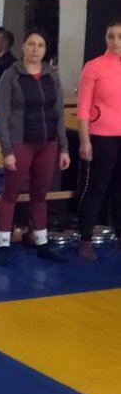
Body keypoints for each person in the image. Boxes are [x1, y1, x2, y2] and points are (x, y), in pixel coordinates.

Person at [0, 28, 70, 266]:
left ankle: (42, 243)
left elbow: (58, 113)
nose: (35, 49)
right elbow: (1, 115)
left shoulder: (52, 76)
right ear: (23, 47)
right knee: (10, 194)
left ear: (45, 50)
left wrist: (64, 147)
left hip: (47, 143)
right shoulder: (10, 75)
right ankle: (3, 245)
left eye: (40, 45)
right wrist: (7, 150)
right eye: (31, 44)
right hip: (20, 143)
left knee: (40, 195)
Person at [75, 20, 121, 261]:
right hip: (101, 138)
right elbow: (83, 107)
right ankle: (85, 239)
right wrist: (85, 140)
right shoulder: (94, 67)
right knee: (95, 190)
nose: (115, 41)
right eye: (111, 36)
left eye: (120, 36)